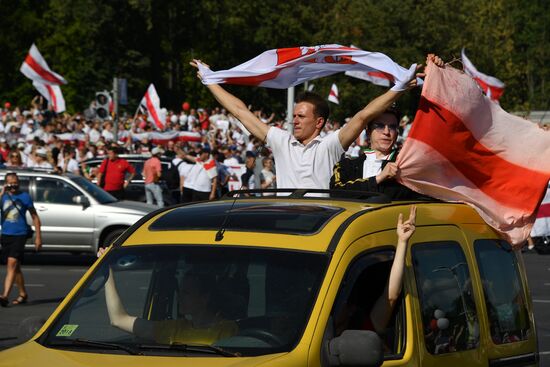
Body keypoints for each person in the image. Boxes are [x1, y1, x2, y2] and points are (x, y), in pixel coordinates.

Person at [190, 55, 443, 191]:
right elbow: (240, 111)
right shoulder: (281, 141)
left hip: (322, 228)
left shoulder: (331, 145)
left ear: (319, 122)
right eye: (294, 115)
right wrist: (210, 81)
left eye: (301, 116)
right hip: (285, 223)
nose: (294, 120)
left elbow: (364, 115)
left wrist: (398, 89)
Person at [102, 262, 237, 344]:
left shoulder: (226, 330)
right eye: (180, 291)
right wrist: (107, 271)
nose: (179, 297)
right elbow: (118, 320)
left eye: (186, 293)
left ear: (204, 298)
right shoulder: (173, 329)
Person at [335, 205, 416, 335]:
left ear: (351, 309)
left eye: (341, 302)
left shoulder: (363, 331)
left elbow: (390, 296)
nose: (336, 308)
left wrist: (402, 242)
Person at [329, 106, 422, 199]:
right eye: (380, 126)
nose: (386, 132)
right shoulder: (347, 165)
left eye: (392, 127)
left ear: (397, 134)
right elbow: (336, 192)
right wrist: (379, 178)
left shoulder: (407, 166)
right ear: (368, 131)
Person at [0, 172, 42, 307]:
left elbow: (35, 217)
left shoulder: (25, 197)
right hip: (6, 234)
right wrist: (2, 192)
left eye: (15, 182)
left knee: (11, 263)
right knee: (16, 267)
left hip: (20, 233)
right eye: (10, 182)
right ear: (6, 183)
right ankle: (23, 293)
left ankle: (4, 295)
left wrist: (38, 237)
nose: (13, 185)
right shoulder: (3, 196)